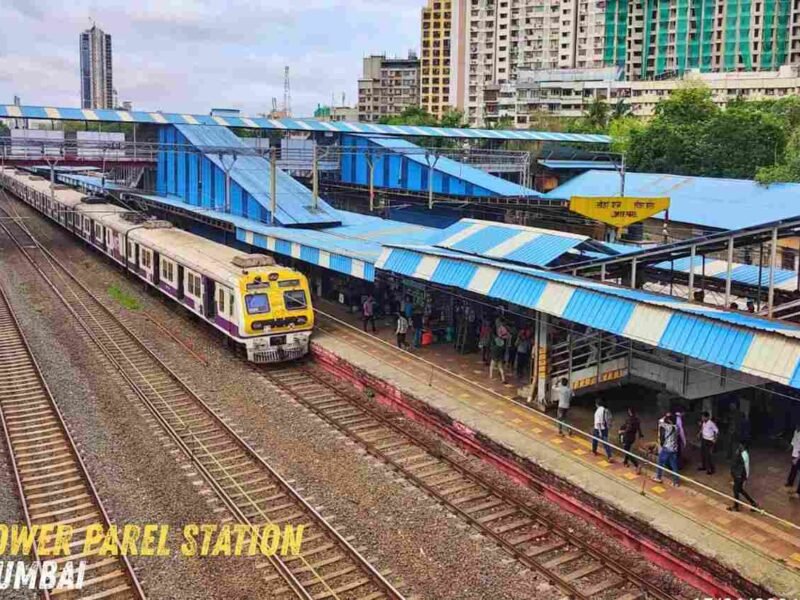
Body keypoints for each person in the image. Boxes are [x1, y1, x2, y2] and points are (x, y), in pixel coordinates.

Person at [728, 442, 759, 512]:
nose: (738, 446)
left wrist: (741, 477)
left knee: (736, 490)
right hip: (739, 476)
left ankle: (736, 506)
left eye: (740, 445)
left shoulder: (743, 456)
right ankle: (752, 503)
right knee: (739, 490)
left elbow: (744, 467)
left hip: (739, 476)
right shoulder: (741, 453)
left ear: (743, 446)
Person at [653, 414, 680, 486]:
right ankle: (676, 482)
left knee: (660, 461)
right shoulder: (676, 427)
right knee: (674, 465)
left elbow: (660, 422)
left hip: (667, 448)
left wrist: (665, 416)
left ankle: (658, 477)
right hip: (674, 449)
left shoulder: (668, 427)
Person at [620, 407, 644, 473]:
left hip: (627, 437)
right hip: (633, 437)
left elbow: (628, 428)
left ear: (629, 412)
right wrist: (640, 435)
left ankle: (637, 465)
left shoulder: (629, 419)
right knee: (627, 449)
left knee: (627, 451)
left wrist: (622, 432)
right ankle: (625, 462)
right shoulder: (637, 420)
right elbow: (639, 429)